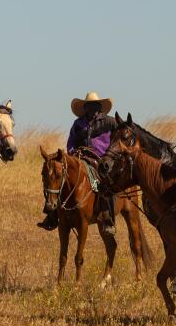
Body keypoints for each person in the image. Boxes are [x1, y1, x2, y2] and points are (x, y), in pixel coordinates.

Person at [38, 92, 117, 231]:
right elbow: (71, 143)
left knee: (106, 183)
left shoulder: (110, 122)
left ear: (99, 107)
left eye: (94, 105)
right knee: (60, 179)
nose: (91, 109)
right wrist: (73, 152)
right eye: (88, 106)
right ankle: (52, 215)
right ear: (85, 108)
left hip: (102, 159)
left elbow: (117, 140)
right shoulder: (78, 123)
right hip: (80, 157)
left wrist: (110, 155)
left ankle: (108, 219)